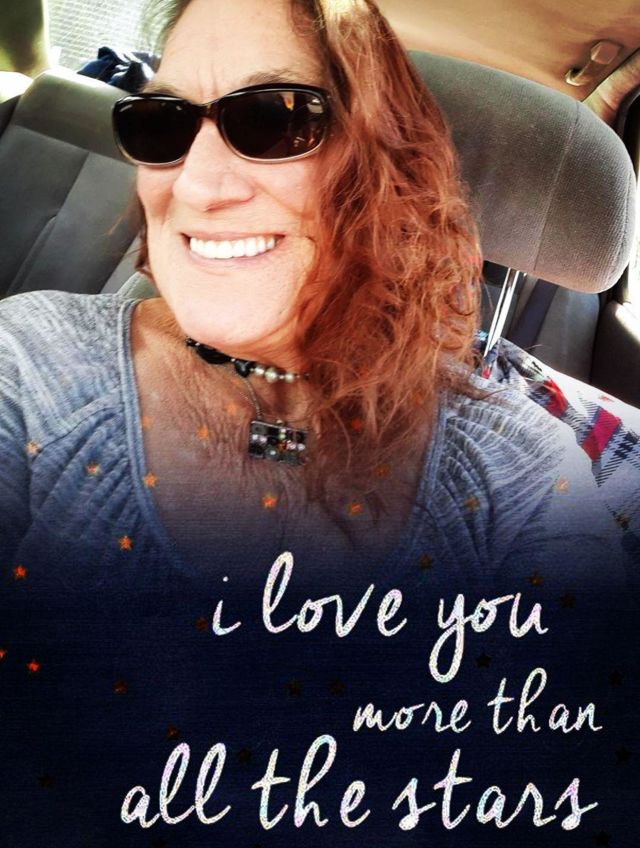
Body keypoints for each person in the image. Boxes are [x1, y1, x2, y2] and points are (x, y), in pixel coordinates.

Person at [0, 1, 637, 846]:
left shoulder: (517, 469)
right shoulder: (28, 362)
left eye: (273, 120)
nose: (195, 185)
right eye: (163, 124)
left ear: (387, 163)